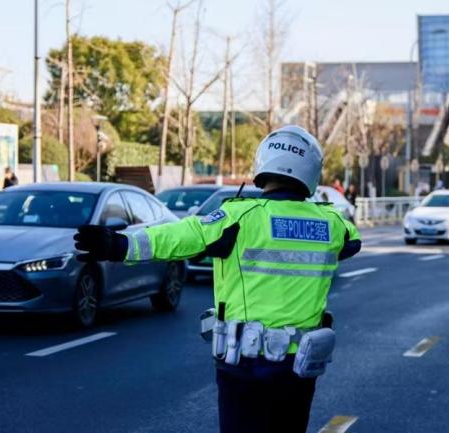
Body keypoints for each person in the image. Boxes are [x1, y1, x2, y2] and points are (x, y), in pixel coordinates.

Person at [74, 125, 361, 433]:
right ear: (311, 171)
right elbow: (351, 244)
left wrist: (119, 245)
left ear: (263, 164)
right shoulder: (332, 223)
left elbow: (181, 235)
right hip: (301, 365)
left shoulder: (240, 217)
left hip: (246, 365)